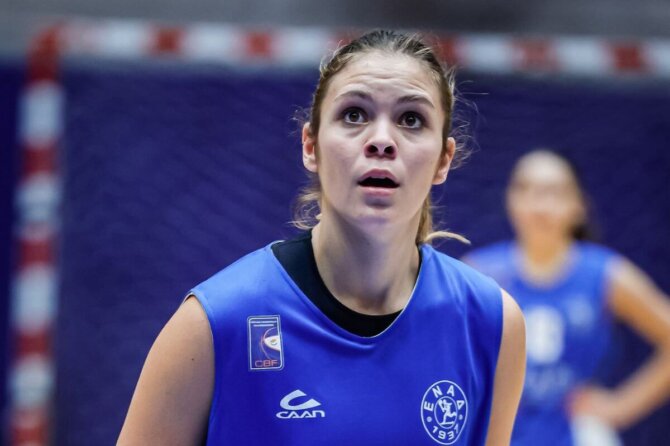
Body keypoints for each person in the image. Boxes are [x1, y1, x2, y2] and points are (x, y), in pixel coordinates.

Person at [118, 29, 526, 446]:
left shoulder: (491, 323)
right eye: (354, 114)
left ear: (444, 159)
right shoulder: (218, 321)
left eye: (411, 119)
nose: (381, 141)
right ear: (310, 145)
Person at [463, 150, 670, 446]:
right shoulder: (479, 274)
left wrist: (620, 406)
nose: (539, 205)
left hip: (575, 437)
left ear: (578, 206)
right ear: (510, 200)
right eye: (526, 189)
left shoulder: (604, 274)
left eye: (554, 192)